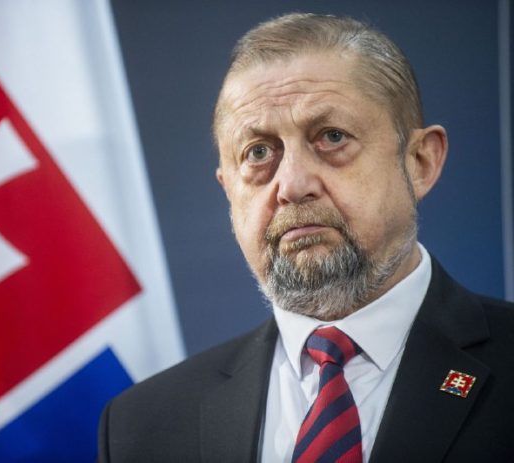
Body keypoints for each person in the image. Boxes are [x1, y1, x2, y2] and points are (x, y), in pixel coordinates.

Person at [98, 13, 514, 462]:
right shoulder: (143, 426)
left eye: (332, 137)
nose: (293, 185)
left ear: (419, 163)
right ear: (228, 190)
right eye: (258, 152)